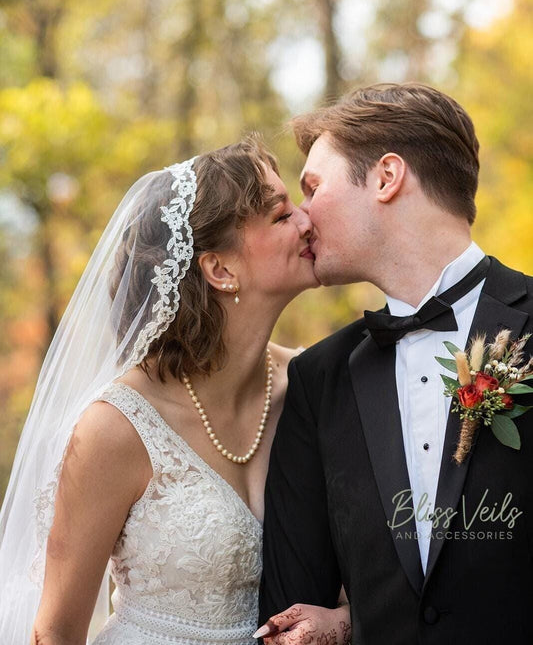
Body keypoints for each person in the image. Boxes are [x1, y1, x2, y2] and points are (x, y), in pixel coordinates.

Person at [0, 137, 345, 645]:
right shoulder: (116, 427)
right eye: (280, 215)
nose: (307, 221)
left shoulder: (314, 388)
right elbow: (55, 633)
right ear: (220, 270)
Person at [258, 84, 533, 645]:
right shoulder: (318, 380)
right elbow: (288, 610)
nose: (303, 218)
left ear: (386, 177)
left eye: (313, 187)